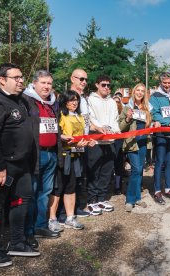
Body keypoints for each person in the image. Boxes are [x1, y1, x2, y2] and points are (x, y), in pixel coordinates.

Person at [0, 63, 39, 267]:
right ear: (2, 79)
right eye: (16, 77)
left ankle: (17, 242)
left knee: (22, 199)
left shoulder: (18, 100)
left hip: (21, 165)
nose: (21, 80)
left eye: (22, 77)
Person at [23, 70, 60, 250]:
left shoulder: (52, 103)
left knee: (45, 193)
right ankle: (27, 232)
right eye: (43, 83)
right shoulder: (26, 101)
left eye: (49, 83)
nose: (46, 86)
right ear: (35, 83)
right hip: (35, 155)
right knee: (32, 192)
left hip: (52, 153)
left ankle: (40, 226)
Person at [48, 90, 92, 232]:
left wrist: (87, 142)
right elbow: (57, 135)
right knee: (58, 187)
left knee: (71, 187)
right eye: (71, 100)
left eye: (76, 100)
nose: (74, 102)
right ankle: (52, 219)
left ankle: (70, 217)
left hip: (76, 156)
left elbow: (82, 135)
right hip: (63, 156)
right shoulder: (60, 115)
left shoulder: (79, 116)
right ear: (65, 101)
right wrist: (70, 142)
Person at [87, 75, 120, 215]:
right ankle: (91, 200)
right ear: (97, 85)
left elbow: (114, 118)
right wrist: (100, 128)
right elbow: (90, 118)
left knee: (107, 171)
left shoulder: (112, 102)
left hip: (110, 141)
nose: (106, 87)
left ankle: (101, 198)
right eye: (103, 85)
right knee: (94, 171)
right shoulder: (90, 100)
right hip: (96, 141)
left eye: (108, 85)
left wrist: (114, 130)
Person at [149, 72, 170, 204]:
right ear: (161, 83)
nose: (167, 85)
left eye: (169, 83)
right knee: (160, 162)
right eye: (165, 83)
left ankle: (168, 188)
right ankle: (157, 191)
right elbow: (154, 113)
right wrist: (168, 123)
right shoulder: (154, 96)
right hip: (162, 134)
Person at [119, 83, 151, 212]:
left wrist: (154, 123)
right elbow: (120, 127)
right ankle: (130, 200)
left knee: (140, 170)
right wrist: (127, 119)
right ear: (133, 92)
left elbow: (149, 125)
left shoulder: (147, 108)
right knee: (136, 169)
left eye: (142, 91)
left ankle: (138, 198)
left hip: (143, 142)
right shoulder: (127, 108)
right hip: (132, 142)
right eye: (138, 90)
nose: (140, 93)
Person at [69, 69, 91, 217]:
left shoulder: (83, 98)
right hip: (72, 144)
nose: (83, 82)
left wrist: (96, 128)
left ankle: (76, 207)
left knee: (79, 177)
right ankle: (64, 212)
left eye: (85, 79)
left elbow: (86, 120)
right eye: (80, 79)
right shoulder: (68, 97)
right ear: (72, 78)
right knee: (70, 178)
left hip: (84, 143)